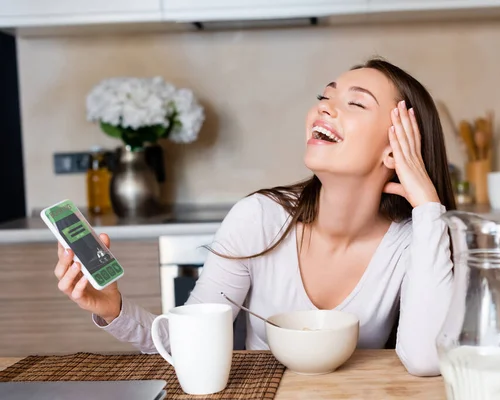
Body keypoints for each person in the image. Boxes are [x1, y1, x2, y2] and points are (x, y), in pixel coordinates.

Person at [53, 57, 455, 377]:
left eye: (355, 103)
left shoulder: (413, 239)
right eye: (325, 95)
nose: (324, 107)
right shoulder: (258, 220)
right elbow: (185, 344)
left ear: (395, 150)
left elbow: (424, 360)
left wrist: (428, 208)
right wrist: (112, 309)